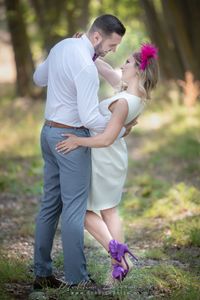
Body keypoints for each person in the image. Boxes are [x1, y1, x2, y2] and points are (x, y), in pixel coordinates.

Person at [32, 14, 127, 290]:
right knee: (74, 211)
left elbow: (39, 78)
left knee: (49, 205)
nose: (112, 51)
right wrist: (119, 129)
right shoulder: (86, 66)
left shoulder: (62, 47)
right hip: (71, 138)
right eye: (111, 45)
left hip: (48, 133)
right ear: (97, 37)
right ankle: (78, 280)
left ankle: (42, 274)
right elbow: (88, 118)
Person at [56, 44, 159, 281]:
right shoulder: (133, 94)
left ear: (139, 70)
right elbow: (105, 69)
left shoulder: (124, 101)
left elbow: (105, 139)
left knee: (79, 209)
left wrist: (76, 141)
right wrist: (87, 49)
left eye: (128, 63)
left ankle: (117, 255)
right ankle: (120, 266)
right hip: (112, 157)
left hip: (104, 156)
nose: (122, 65)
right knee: (109, 211)